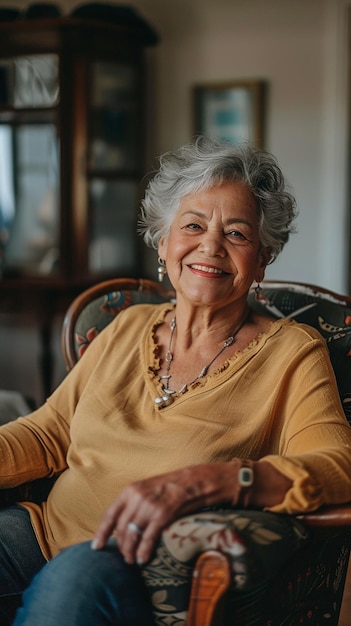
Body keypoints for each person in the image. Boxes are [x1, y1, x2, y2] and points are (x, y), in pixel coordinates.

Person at [1, 136, 351, 625]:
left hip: (138, 567)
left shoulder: (292, 352)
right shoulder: (125, 327)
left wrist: (215, 480)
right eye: (192, 225)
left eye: (237, 233)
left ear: (263, 258)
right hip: (38, 536)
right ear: (164, 243)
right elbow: (47, 434)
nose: (210, 246)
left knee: (71, 587)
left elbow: (339, 465)